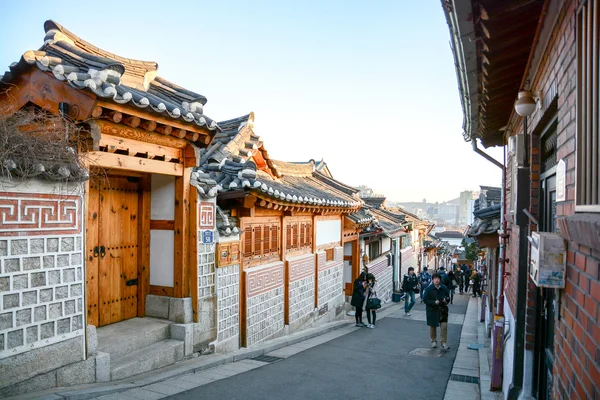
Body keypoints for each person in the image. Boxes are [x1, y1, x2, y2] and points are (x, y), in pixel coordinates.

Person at [423, 273, 451, 349]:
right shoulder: (429, 289)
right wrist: (433, 302)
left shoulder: (444, 288)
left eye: (438, 278)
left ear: (440, 280)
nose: (436, 280)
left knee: (444, 326)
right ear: (432, 280)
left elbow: (448, 298)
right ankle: (433, 341)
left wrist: (446, 300)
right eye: (435, 278)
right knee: (433, 326)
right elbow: (425, 300)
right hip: (432, 310)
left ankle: (443, 342)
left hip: (442, 310)